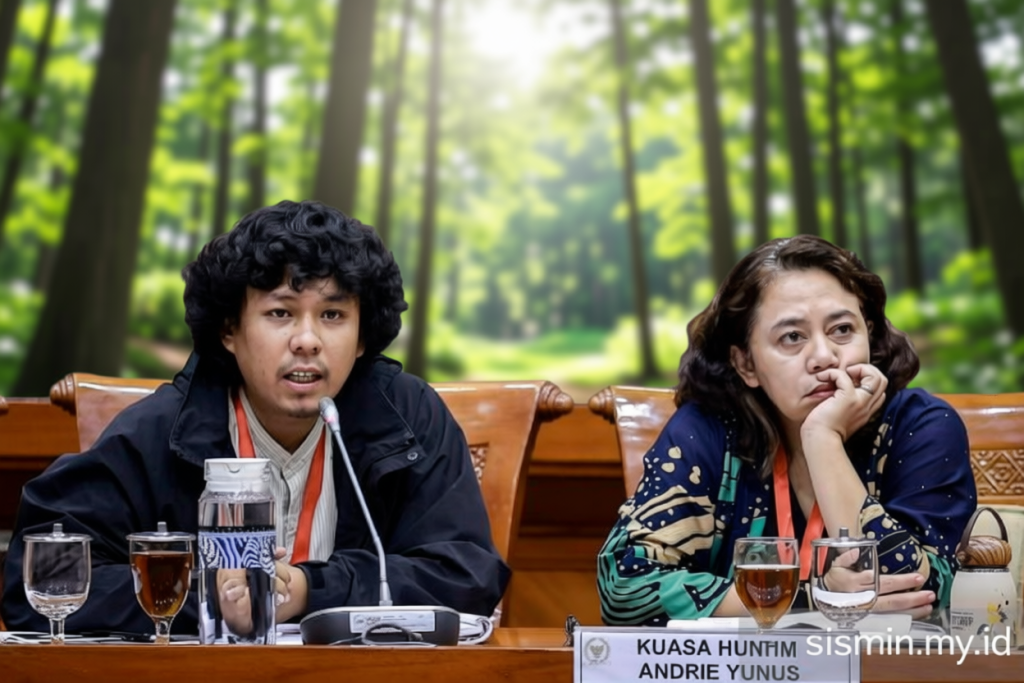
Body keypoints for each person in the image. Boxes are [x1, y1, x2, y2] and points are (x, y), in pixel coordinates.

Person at [1, 200, 509, 634]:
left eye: (333, 315)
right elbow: (41, 581)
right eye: (280, 313)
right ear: (230, 330)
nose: (307, 340)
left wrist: (309, 589)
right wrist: (207, 599)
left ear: (361, 337)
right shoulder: (164, 428)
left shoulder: (407, 417)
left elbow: (466, 575)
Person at [597, 235, 977, 626]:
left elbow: (917, 592)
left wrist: (823, 441)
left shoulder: (922, 426)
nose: (824, 357)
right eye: (792, 337)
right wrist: (812, 598)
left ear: (868, 333)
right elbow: (623, 588)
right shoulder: (708, 431)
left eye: (842, 330)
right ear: (746, 364)